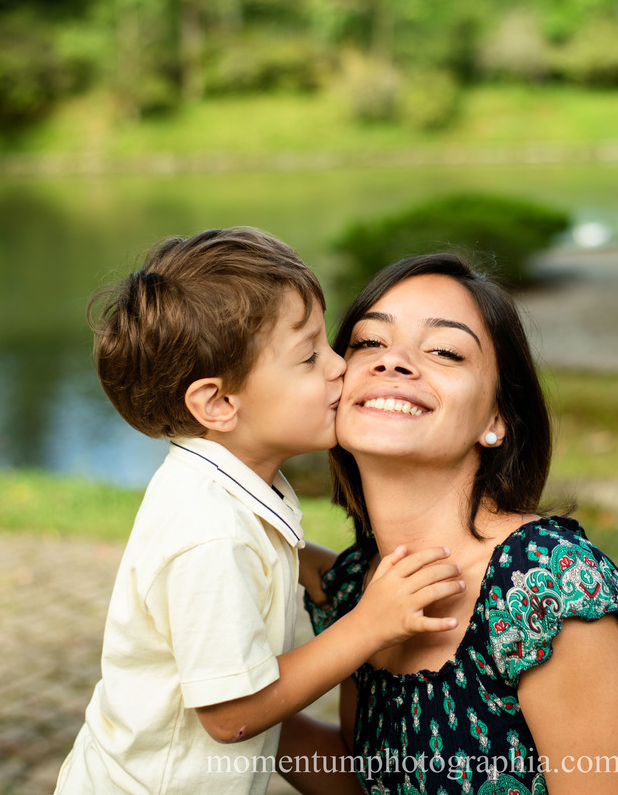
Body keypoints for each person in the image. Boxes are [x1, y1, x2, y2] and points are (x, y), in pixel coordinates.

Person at [54, 228, 464, 795]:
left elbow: (254, 547)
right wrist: (369, 624)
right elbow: (231, 716)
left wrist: (307, 562)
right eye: (308, 355)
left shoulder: (219, 485)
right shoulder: (209, 534)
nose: (339, 366)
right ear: (219, 403)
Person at [306, 253, 618, 795]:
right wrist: (210, 706)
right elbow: (368, 780)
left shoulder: (545, 586)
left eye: (445, 351)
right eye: (369, 343)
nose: (395, 362)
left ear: (495, 419)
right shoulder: (359, 589)